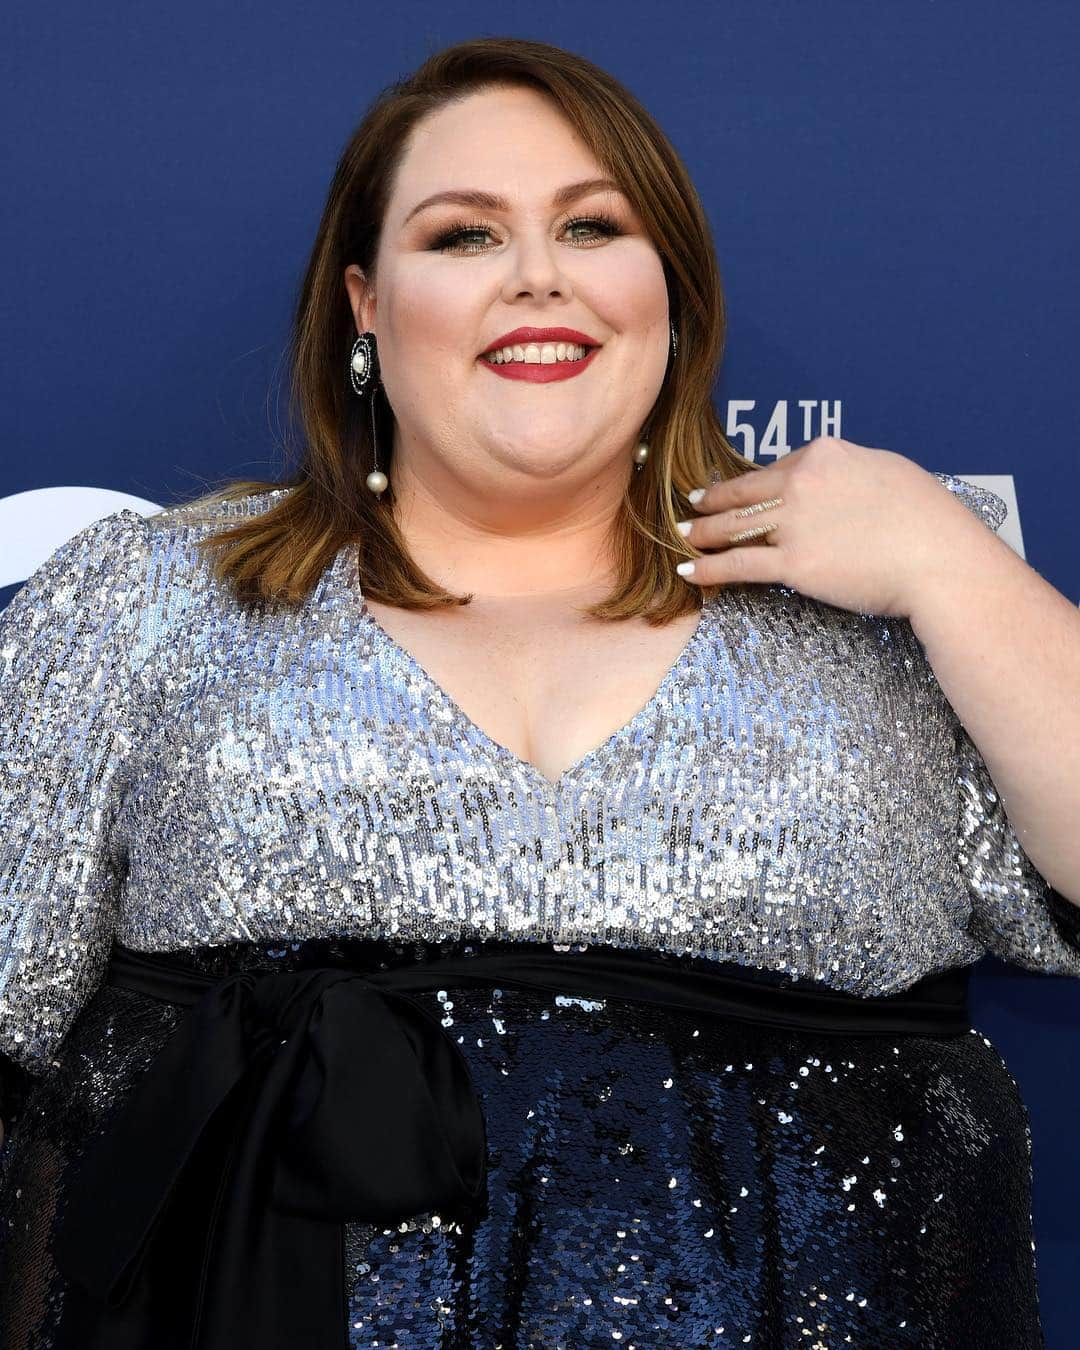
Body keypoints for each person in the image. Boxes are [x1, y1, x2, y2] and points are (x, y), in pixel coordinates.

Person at [1, 35, 1078, 1350]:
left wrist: (944, 562)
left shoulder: (891, 599)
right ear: (365, 301)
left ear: (669, 286)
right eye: (463, 237)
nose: (538, 277)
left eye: (591, 224)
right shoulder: (145, 600)